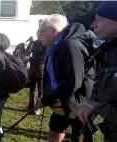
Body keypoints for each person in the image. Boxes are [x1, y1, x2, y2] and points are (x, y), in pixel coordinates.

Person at [35, 14, 94, 142]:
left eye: (40, 31)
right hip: (62, 101)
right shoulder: (55, 46)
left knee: (80, 138)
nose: (38, 35)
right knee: (53, 135)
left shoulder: (70, 45)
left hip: (78, 103)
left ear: (53, 31)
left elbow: (73, 82)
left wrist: (46, 100)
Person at [77, 2, 117, 141]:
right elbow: (101, 85)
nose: (93, 24)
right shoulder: (107, 51)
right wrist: (92, 104)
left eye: (100, 19)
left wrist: (96, 106)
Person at [26, 33, 47, 115]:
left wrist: (30, 59)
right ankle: (30, 105)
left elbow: (44, 57)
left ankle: (38, 107)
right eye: (38, 34)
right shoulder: (34, 43)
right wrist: (29, 43)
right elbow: (28, 51)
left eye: (40, 33)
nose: (39, 35)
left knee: (40, 89)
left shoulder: (45, 44)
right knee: (32, 88)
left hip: (40, 68)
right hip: (33, 68)